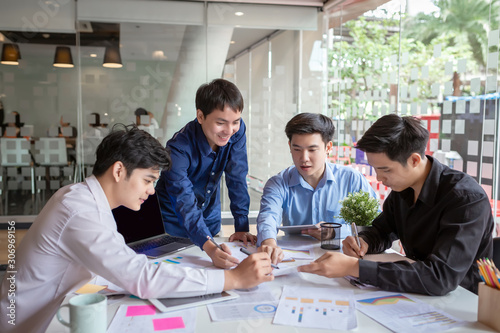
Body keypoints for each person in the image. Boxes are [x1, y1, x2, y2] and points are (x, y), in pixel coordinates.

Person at [0, 125, 273, 333]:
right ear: (119, 171)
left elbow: (123, 265)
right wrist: (233, 280)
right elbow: (140, 277)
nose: (151, 191)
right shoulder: (79, 210)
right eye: (148, 180)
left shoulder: (85, 198)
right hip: (29, 325)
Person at [298, 114, 494, 296]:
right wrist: (364, 241)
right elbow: (382, 231)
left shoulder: (465, 199)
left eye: (385, 170)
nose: (379, 178)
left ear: (414, 160)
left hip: (463, 301)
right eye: (375, 169)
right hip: (415, 292)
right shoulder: (402, 190)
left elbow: (440, 276)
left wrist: (354, 267)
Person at [155, 78, 254, 269]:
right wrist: (209, 247)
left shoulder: (237, 131)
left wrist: (241, 228)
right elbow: (183, 201)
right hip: (172, 225)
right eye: (221, 123)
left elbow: (237, 177)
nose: (229, 130)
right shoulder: (177, 150)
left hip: (209, 219)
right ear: (200, 116)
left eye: (236, 121)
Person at [256, 113, 378, 264]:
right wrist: (269, 243)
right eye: (297, 149)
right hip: (294, 262)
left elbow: (376, 225)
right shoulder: (278, 183)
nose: (304, 158)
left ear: (328, 147)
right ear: (289, 147)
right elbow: (268, 216)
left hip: (344, 262)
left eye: (312, 150)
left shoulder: (352, 180)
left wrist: (335, 232)